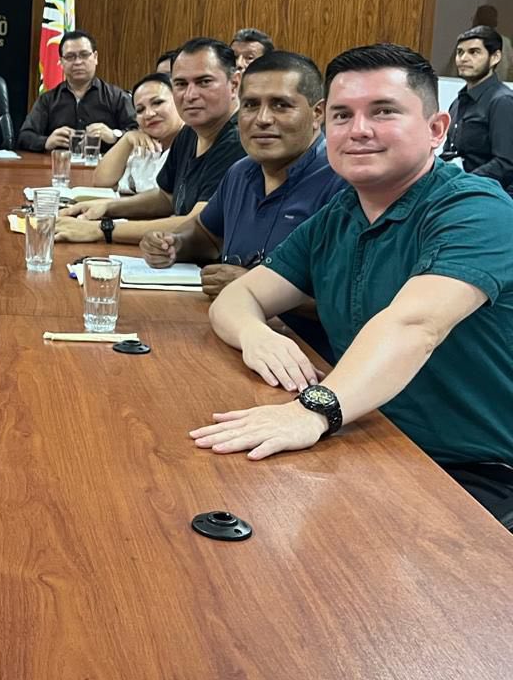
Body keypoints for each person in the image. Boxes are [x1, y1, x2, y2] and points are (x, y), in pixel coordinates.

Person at [193, 44, 513, 529]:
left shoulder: (476, 210)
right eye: (342, 115)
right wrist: (256, 334)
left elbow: (414, 325)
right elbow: (241, 295)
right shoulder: (340, 215)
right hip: (365, 439)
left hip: (471, 474)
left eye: (383, 111)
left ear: (436, 129)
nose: (358, 129)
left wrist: (314, 410)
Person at [140, 52, 345, 356]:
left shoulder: (343, 185)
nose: (262, 119)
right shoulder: (241, 172)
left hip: (307, 361)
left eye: (281, 105)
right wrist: (174, 243)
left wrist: (255, 289)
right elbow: (206, 234)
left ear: (318, 114)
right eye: (250, 105)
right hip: (232, 341)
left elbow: (354, 305)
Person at [55, 37, 246, 244]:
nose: (190, 95)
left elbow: (198, 225)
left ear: (234, 84)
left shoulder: (239, 141)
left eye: (204, 82)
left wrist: (102, 229)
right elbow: (167, 197)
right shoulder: (190, 133)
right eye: (181, 84)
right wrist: (107, 206)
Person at [15, 30, 135, 152]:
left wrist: (114, 135)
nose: (78, 62)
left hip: (105, 163)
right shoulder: (48, 100)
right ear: (61, 62)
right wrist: (46, 141)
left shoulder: (117, 97)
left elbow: (138, 132)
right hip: (59, 162)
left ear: (95, 57)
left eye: (84, 55)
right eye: (70, 57)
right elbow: (24, 137)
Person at [441, 25, 513, 193]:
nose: (463, 58)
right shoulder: (458, 102)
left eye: (474, 52)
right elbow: (449, 153)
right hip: (457, 190)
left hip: (490, 194)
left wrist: (462, 183)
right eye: (460, 52)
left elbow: (506, 163)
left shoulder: (502, 101)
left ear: (495, 57)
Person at [90, 73, 183, 196]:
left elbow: (167, 200)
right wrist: (126, 139)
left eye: (157, 102)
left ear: (180, 101)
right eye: (140, 110)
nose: (148, 114)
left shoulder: (194, 145)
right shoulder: (143, 145)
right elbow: (101, 182)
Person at [472, 5, 513, 82]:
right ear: (495, 22)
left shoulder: (467, 42)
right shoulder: (505, 42)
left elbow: (453, 72)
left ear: (476, 21)